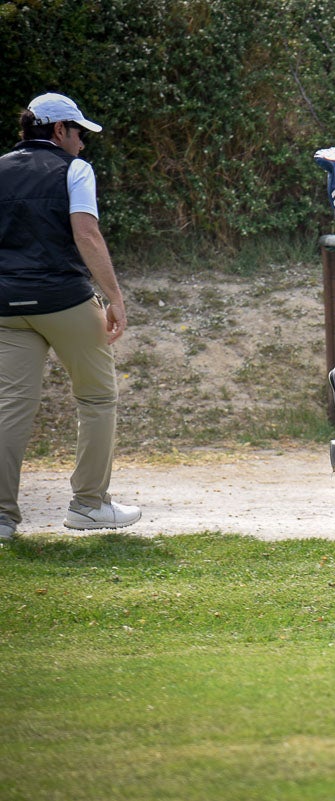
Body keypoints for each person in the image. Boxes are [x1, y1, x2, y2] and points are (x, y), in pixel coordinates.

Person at [0, 93, 141, 540]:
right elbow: (87, 233)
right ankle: (89, 505)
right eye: (79, 133)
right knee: (98, 398)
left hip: (5, 306)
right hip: (63, 298)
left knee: (11, 408)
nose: (82, 143)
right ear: (59, 130)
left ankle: (1, 518)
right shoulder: (74, 169)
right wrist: (114, 297)